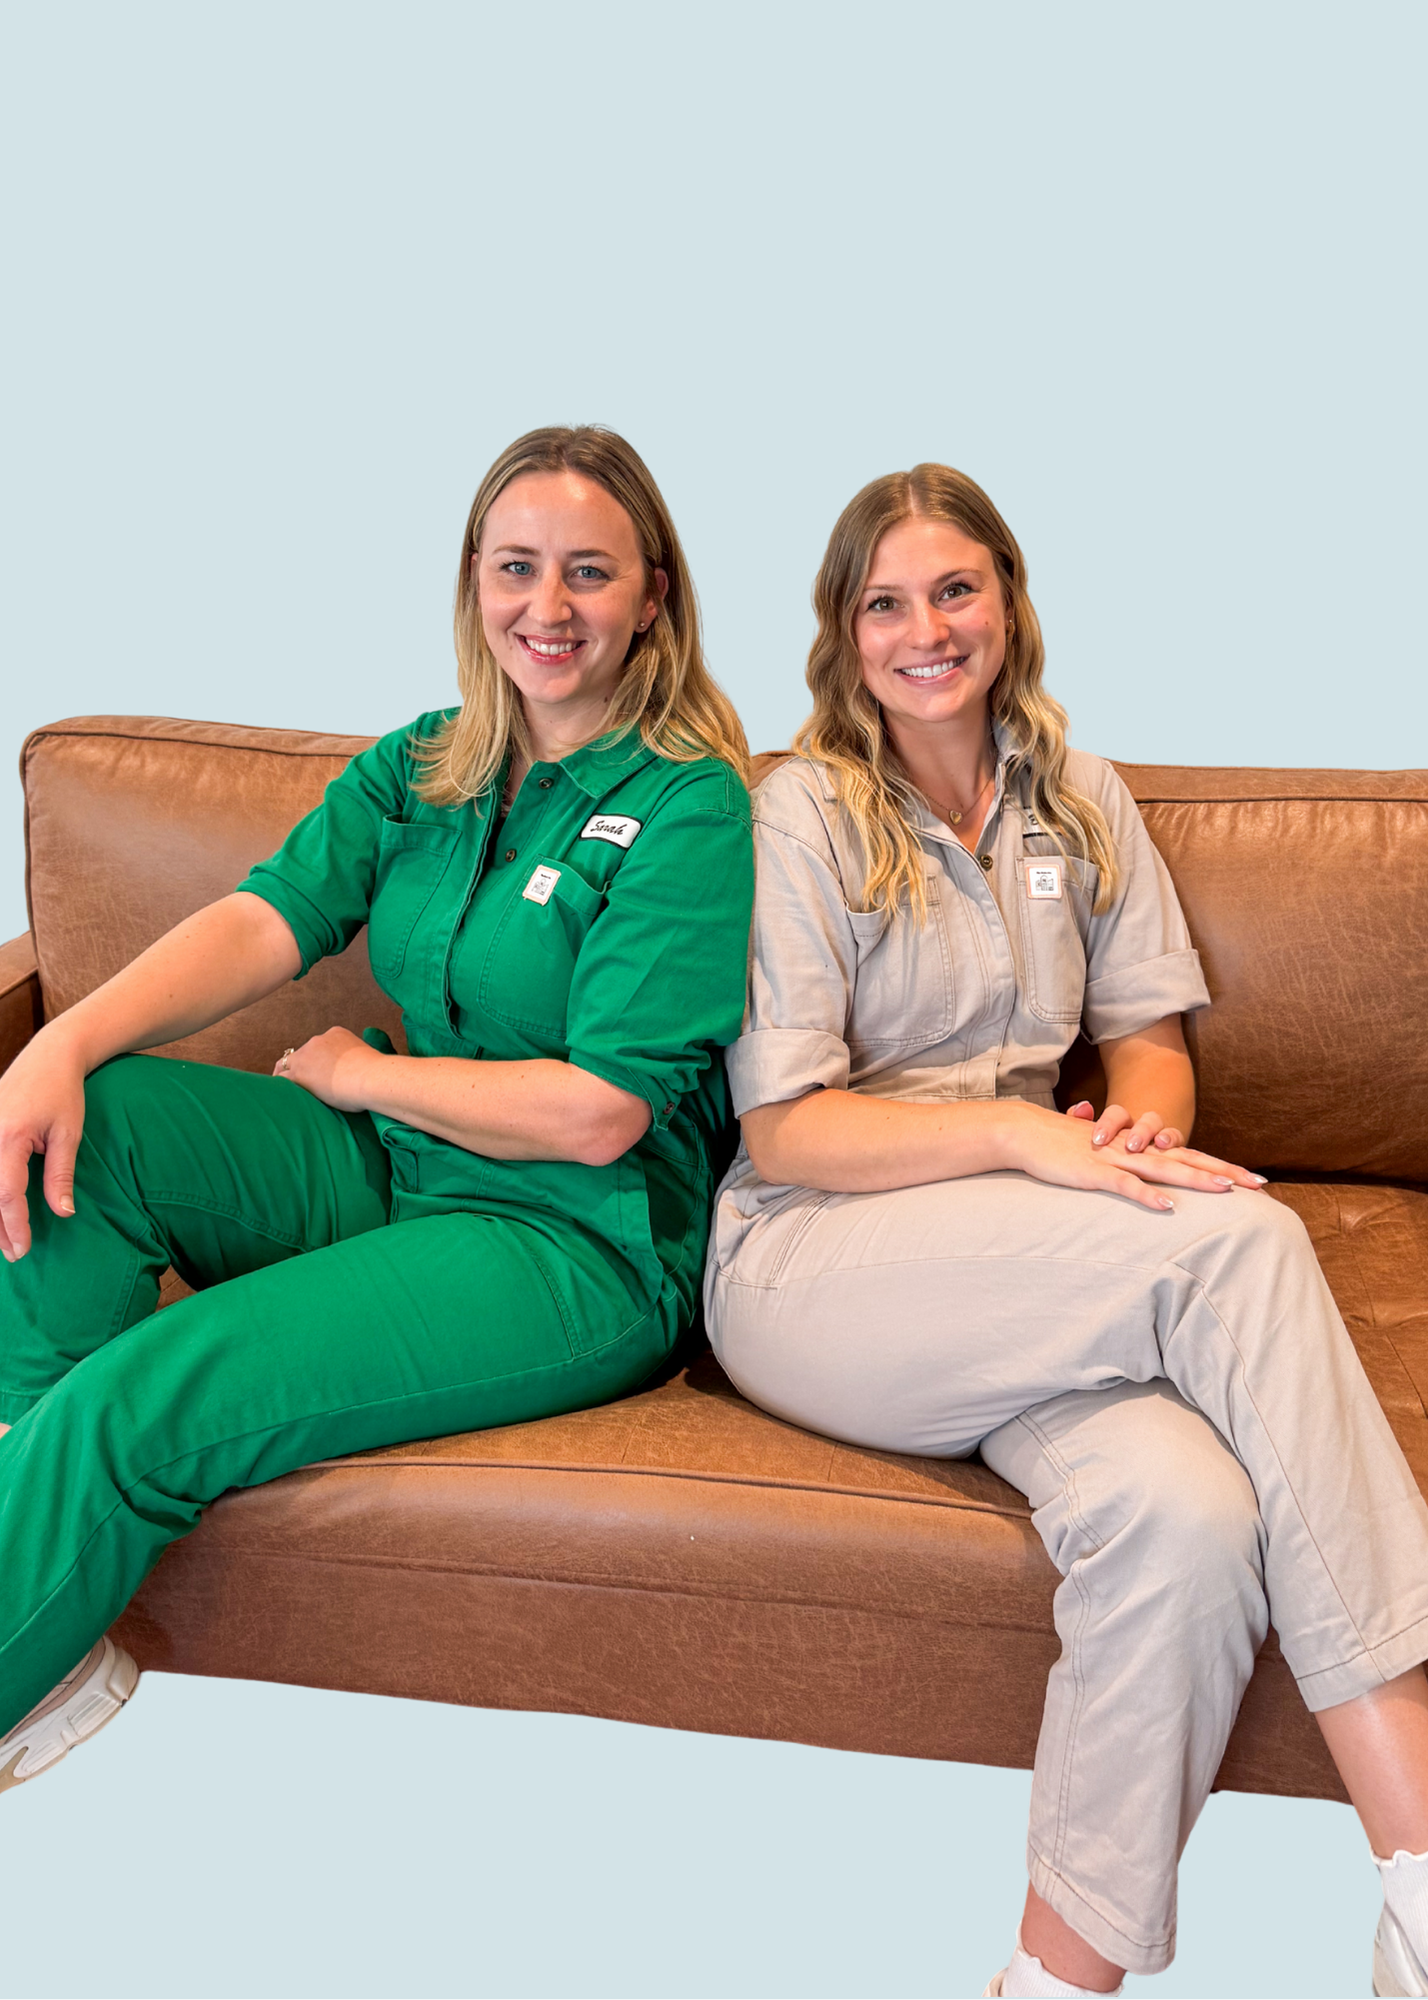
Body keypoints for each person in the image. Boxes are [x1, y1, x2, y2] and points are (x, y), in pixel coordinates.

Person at [703, 462, 1428, 1998]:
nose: (926, 629)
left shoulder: (1080, 796)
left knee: (1185, 1517)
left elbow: (1151, 1038)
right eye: (885, 603)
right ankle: (1422, 1856)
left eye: (955, 589)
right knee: (1237, 1243)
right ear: (843, 634)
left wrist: (1137, 1124)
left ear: (1011, 601)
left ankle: (1051, 1983)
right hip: (817, 1258)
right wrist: (1027, 1135)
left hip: (1019, 1270)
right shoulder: (807, 812)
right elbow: (786, 1126)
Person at [0, 424, 754, 1795]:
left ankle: (28, 1584)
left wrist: (364, 1076)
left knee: (143, 1398)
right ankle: (37, 1605)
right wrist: (61, 1038)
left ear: (654, 594)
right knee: (82, 1126)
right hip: (393, 1169)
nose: (550, 605)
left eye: (590, 571)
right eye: (517, 567)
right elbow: (265, 920)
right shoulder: (430, 763)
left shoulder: (690, 807)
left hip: (567, 1239)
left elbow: (599, 1116)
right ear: (475, 579)